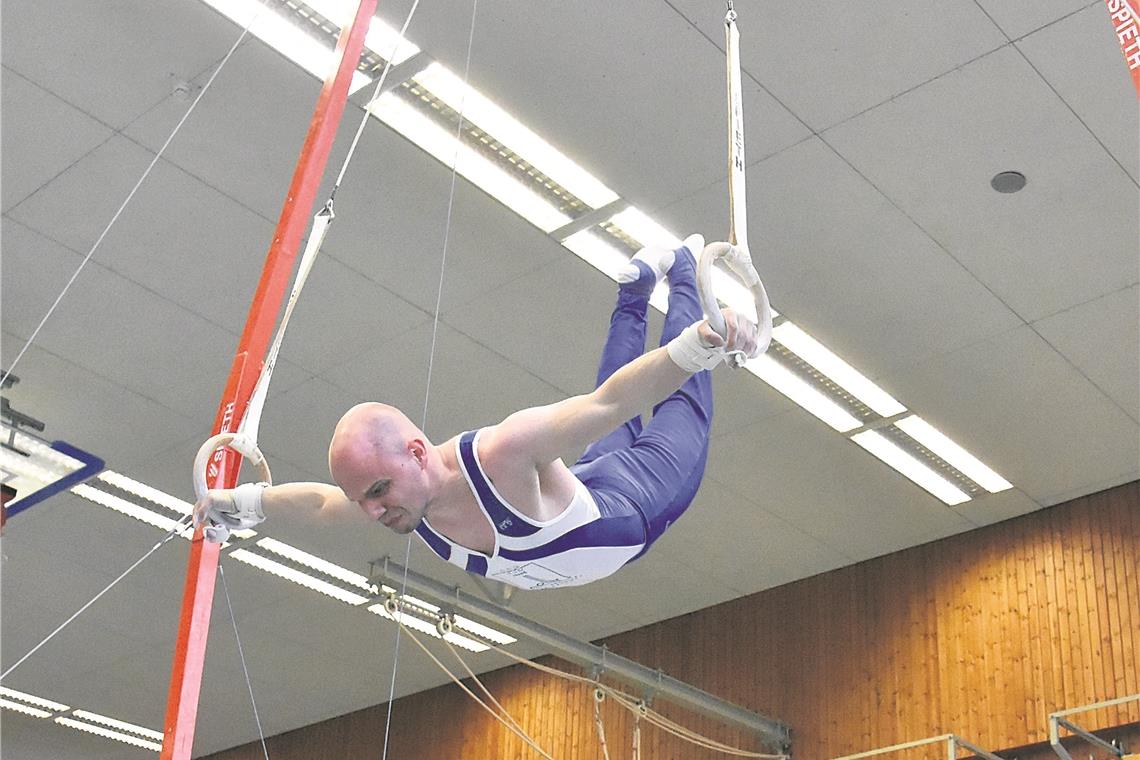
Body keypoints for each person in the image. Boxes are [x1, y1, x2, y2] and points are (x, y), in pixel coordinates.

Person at [194, 234, 761, 590]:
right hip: (591, 490)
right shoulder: (399, 502)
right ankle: (633, 294)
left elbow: (610, 403)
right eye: (363, 497)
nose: (371, 510)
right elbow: (319, 502)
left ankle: (686, 270)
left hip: (640, 502)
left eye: (377, 490)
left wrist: (700, 344)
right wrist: (238, 503)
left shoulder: (503, 454)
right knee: (614, 423)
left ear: (418, 454)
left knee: (680, 399)